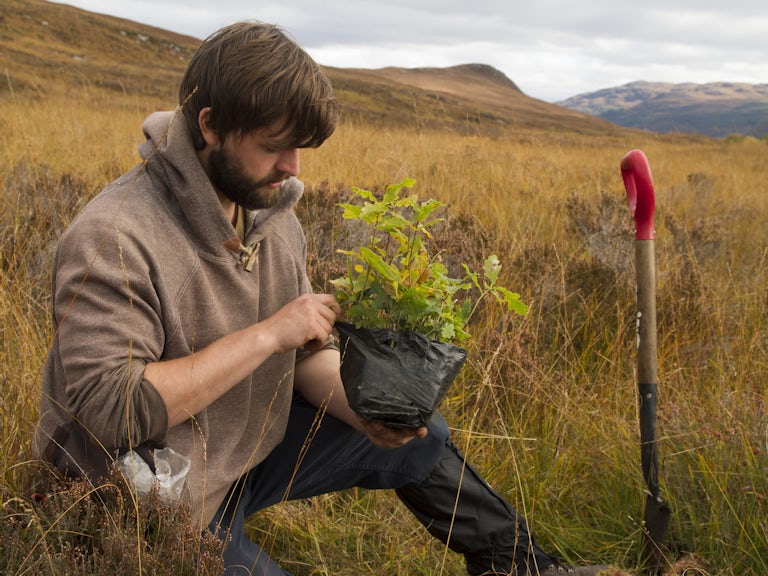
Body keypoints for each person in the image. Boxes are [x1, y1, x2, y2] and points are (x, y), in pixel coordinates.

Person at [33, 21, 608, 576]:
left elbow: (304, 355)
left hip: (244, 453)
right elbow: (113, 412)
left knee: (421, 436)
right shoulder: (115, 238)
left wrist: (366, 414)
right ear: (209, 126)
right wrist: (266, 335)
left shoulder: (270, 213)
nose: (293, 169)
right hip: (146, 502)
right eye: (274, 146)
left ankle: (520, 567)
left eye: (301, 148)